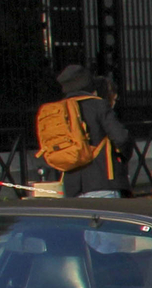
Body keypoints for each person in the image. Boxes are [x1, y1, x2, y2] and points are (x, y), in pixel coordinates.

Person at [48, 65, 130, 198]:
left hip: (71, 185)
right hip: (102, 180)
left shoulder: (58, 110)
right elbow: (121, 138)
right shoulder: (98, 105)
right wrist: (123, 157)